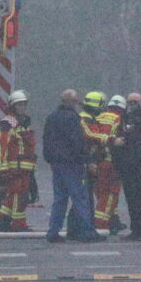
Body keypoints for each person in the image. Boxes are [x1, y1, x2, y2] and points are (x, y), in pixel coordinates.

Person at [43, 89, 99, 243]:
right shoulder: (73, 119)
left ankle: (53, 232)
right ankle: (86, 232)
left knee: (60, 199)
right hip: (73, 164)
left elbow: (46, 140)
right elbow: (77, 142)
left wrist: (50, 159)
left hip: (57, 164)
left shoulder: (52, 117)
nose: (77, 104)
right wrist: (87, 160)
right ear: (71, 102)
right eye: (75, 101)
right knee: (80, 197)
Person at [0, 90, 37, 232]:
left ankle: (3, 221)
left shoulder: (24, 123)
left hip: (25, 168)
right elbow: (2, 147)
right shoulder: (8, 123)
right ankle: (18, 224)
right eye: (19, 105)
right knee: (20, 196)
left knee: (14, 195)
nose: (22, 107)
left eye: (24, 104)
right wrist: (3, 168)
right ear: (12, 106)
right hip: (14, 168)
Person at [113, 92, 141, 241]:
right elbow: (118, 142)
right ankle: (137, 229)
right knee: (132, 200)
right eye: (130, 102)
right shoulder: (123, 120)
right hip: (128, 166)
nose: (133, 105)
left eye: (135, 102)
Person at [92, 96, 127, 233]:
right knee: (111, 193)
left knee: (102, 192)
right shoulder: (119, 119)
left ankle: (113, 220)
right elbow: (122, 142)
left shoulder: (99, 117)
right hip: (112, 162)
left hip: (98, 161)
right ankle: (101, 223)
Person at [79, 90, 108, 227]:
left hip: (91, 160)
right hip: (86, 161)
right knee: (86, 195)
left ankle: (89, 224)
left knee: (89, 193)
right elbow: (89, 134)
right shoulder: (84, 119)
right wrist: (108, 139)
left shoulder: (91, 118)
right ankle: (85, 225)